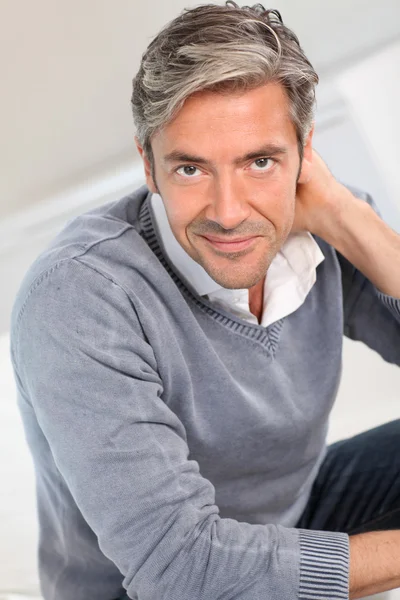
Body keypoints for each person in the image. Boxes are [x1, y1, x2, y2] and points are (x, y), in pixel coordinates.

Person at [9, 2, 400, 599]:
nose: (228, 212)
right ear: (149, 164)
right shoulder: (79, 298)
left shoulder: (323, 223)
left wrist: (352, 218)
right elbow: (182, 570)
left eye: (260, 162)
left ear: (304, 152)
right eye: (191, 169)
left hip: (292, 513)